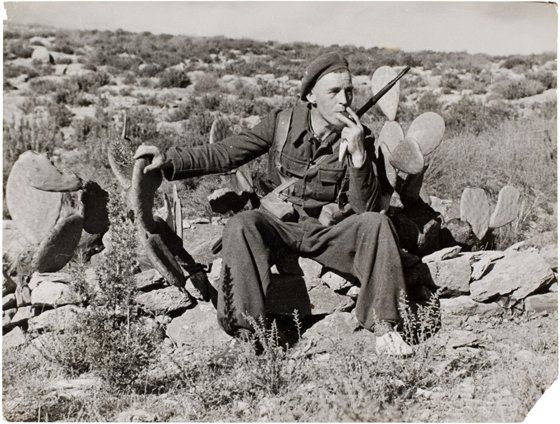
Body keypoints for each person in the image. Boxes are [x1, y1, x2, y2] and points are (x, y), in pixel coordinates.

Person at [134, 52, 412, 356]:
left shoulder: (360, 136)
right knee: (242, 224)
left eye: (349, 91)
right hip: (277, 226)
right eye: (334, 92)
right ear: (311, 96)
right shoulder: (282, 122)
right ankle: (247, 334)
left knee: (378, 224)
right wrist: (170, 162)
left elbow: (365, 211)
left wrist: (358, 157)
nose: (344, 100)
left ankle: (386, 329)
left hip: (325, 232)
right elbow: (227, 153)